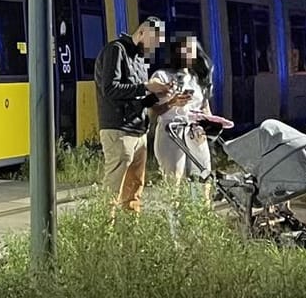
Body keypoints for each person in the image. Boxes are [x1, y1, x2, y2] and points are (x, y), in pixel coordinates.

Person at [94, 16, 176, 216]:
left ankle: (129, 235)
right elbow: (110, 89)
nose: (153, 48)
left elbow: (138, 98)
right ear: (142, 33)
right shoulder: (116, 51)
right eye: (153, 42)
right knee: (113, 190)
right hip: (119, 131)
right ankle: (105, 235)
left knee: (134, 190)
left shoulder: (141, 60)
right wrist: (147, 86)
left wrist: (164, 96)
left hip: (139, 132)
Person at [154, 34, 225, 190]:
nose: (189, 53)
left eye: (192, 50)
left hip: (195, 132)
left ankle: (202, 212)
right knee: (174, 179)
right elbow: (154, 110)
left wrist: (211, 123)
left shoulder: (196, 79)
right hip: (171, 132)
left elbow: (204, 106)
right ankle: (174, 214)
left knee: (203, 177)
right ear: (176, 52)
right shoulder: (162, 76)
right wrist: (172, 102)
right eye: (185, 49)